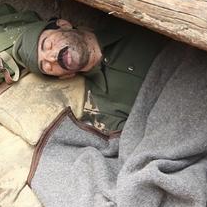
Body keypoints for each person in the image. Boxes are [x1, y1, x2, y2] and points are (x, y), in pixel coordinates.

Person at [11, 15, 165, 133]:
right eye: (47, 67)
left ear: (63, 25)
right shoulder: (101, 108)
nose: (51, 58)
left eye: (48, 44)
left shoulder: (129, 20)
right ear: (65, 76)